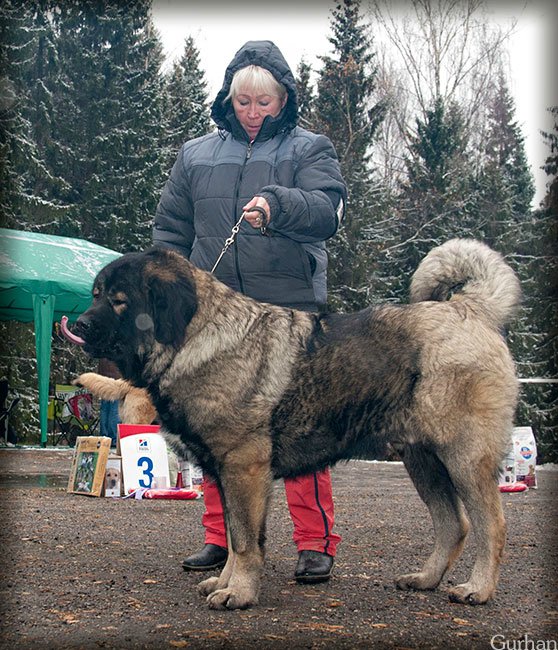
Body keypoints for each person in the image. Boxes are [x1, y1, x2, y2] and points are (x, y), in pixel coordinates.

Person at [153, 40, 347, 584]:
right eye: (244, 102)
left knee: (303, 425)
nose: (254, 111)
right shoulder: (195, 154)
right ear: (228, 99)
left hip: (288, 310)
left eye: (265, 101)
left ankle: (315, 542)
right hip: (211, 321)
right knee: (212, 427)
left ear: (284, 98)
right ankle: (222, 538)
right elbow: (171, 232)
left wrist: (276, 203)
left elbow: (326, 211)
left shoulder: (310, 149)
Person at [97, 358, 120, 447]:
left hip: (103, 381)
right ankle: (113, 437)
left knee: (105, 409)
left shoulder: (102, 350)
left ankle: (104, 436)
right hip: (116, 381)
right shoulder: (116, 348)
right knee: (115, 410)